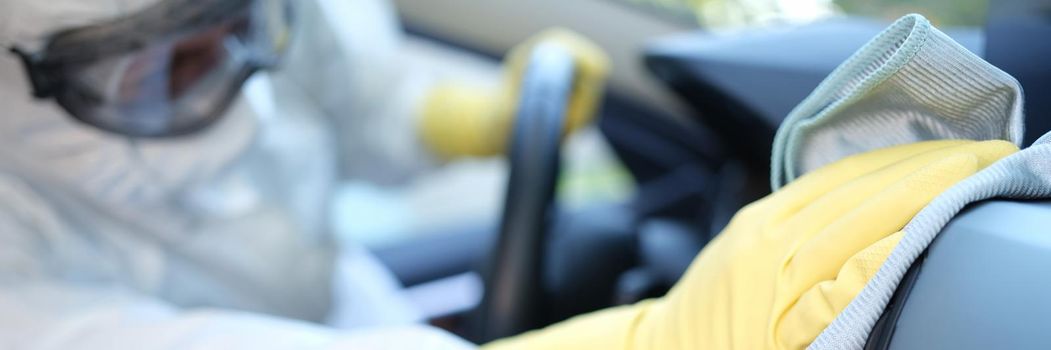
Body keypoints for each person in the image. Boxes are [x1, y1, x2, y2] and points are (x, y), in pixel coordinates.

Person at [0, 0, 606, 348]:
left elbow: (349, 98)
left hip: (349, 308)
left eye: (236, 28)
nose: (231, 87)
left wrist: (465, 119)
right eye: (169, 66)